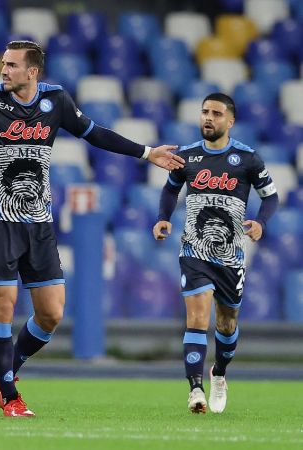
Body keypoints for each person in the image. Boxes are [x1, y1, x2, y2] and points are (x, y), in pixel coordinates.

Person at [0, 40, 184, 417]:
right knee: (4, 303)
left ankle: (5, 369)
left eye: (12, 65)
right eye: (3, 64)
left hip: (38, 221)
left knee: (51, 313)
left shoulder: (57, 101)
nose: (3, 71)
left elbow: (94, 133)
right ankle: (11, 397)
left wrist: (146, 153)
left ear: (32, 71)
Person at [152, 93, 279, 414]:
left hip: (231, 256)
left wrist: (261, 223)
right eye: (205, 112)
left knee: (226, 323)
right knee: (197, 318)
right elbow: (170, 189)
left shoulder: (248, 158)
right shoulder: (188, 156)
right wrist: (163, 218)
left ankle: (219, 374)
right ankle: (195, 389)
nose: (208, 118)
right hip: (193, 249)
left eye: (216, 114)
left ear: (230, 121)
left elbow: (271, 197)